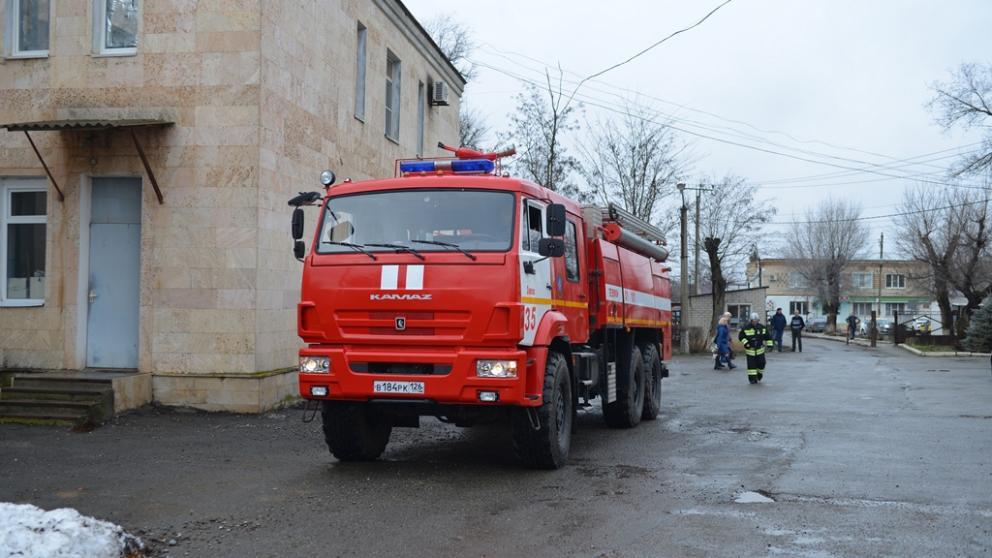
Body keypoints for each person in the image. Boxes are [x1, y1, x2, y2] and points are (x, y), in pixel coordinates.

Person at [739, 313, 774, 384]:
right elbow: (741, 337)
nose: (755, 322)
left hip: (760, 350)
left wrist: (770, 345)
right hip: (750, 351)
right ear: (751, 320)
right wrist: (746, 343)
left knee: (762, 363)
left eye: (757, 320)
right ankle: (752, 379)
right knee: (751, 366)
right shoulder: (746, 328)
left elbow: (768, 337)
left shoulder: (762, 328)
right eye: (754, 321)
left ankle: (759, 375)